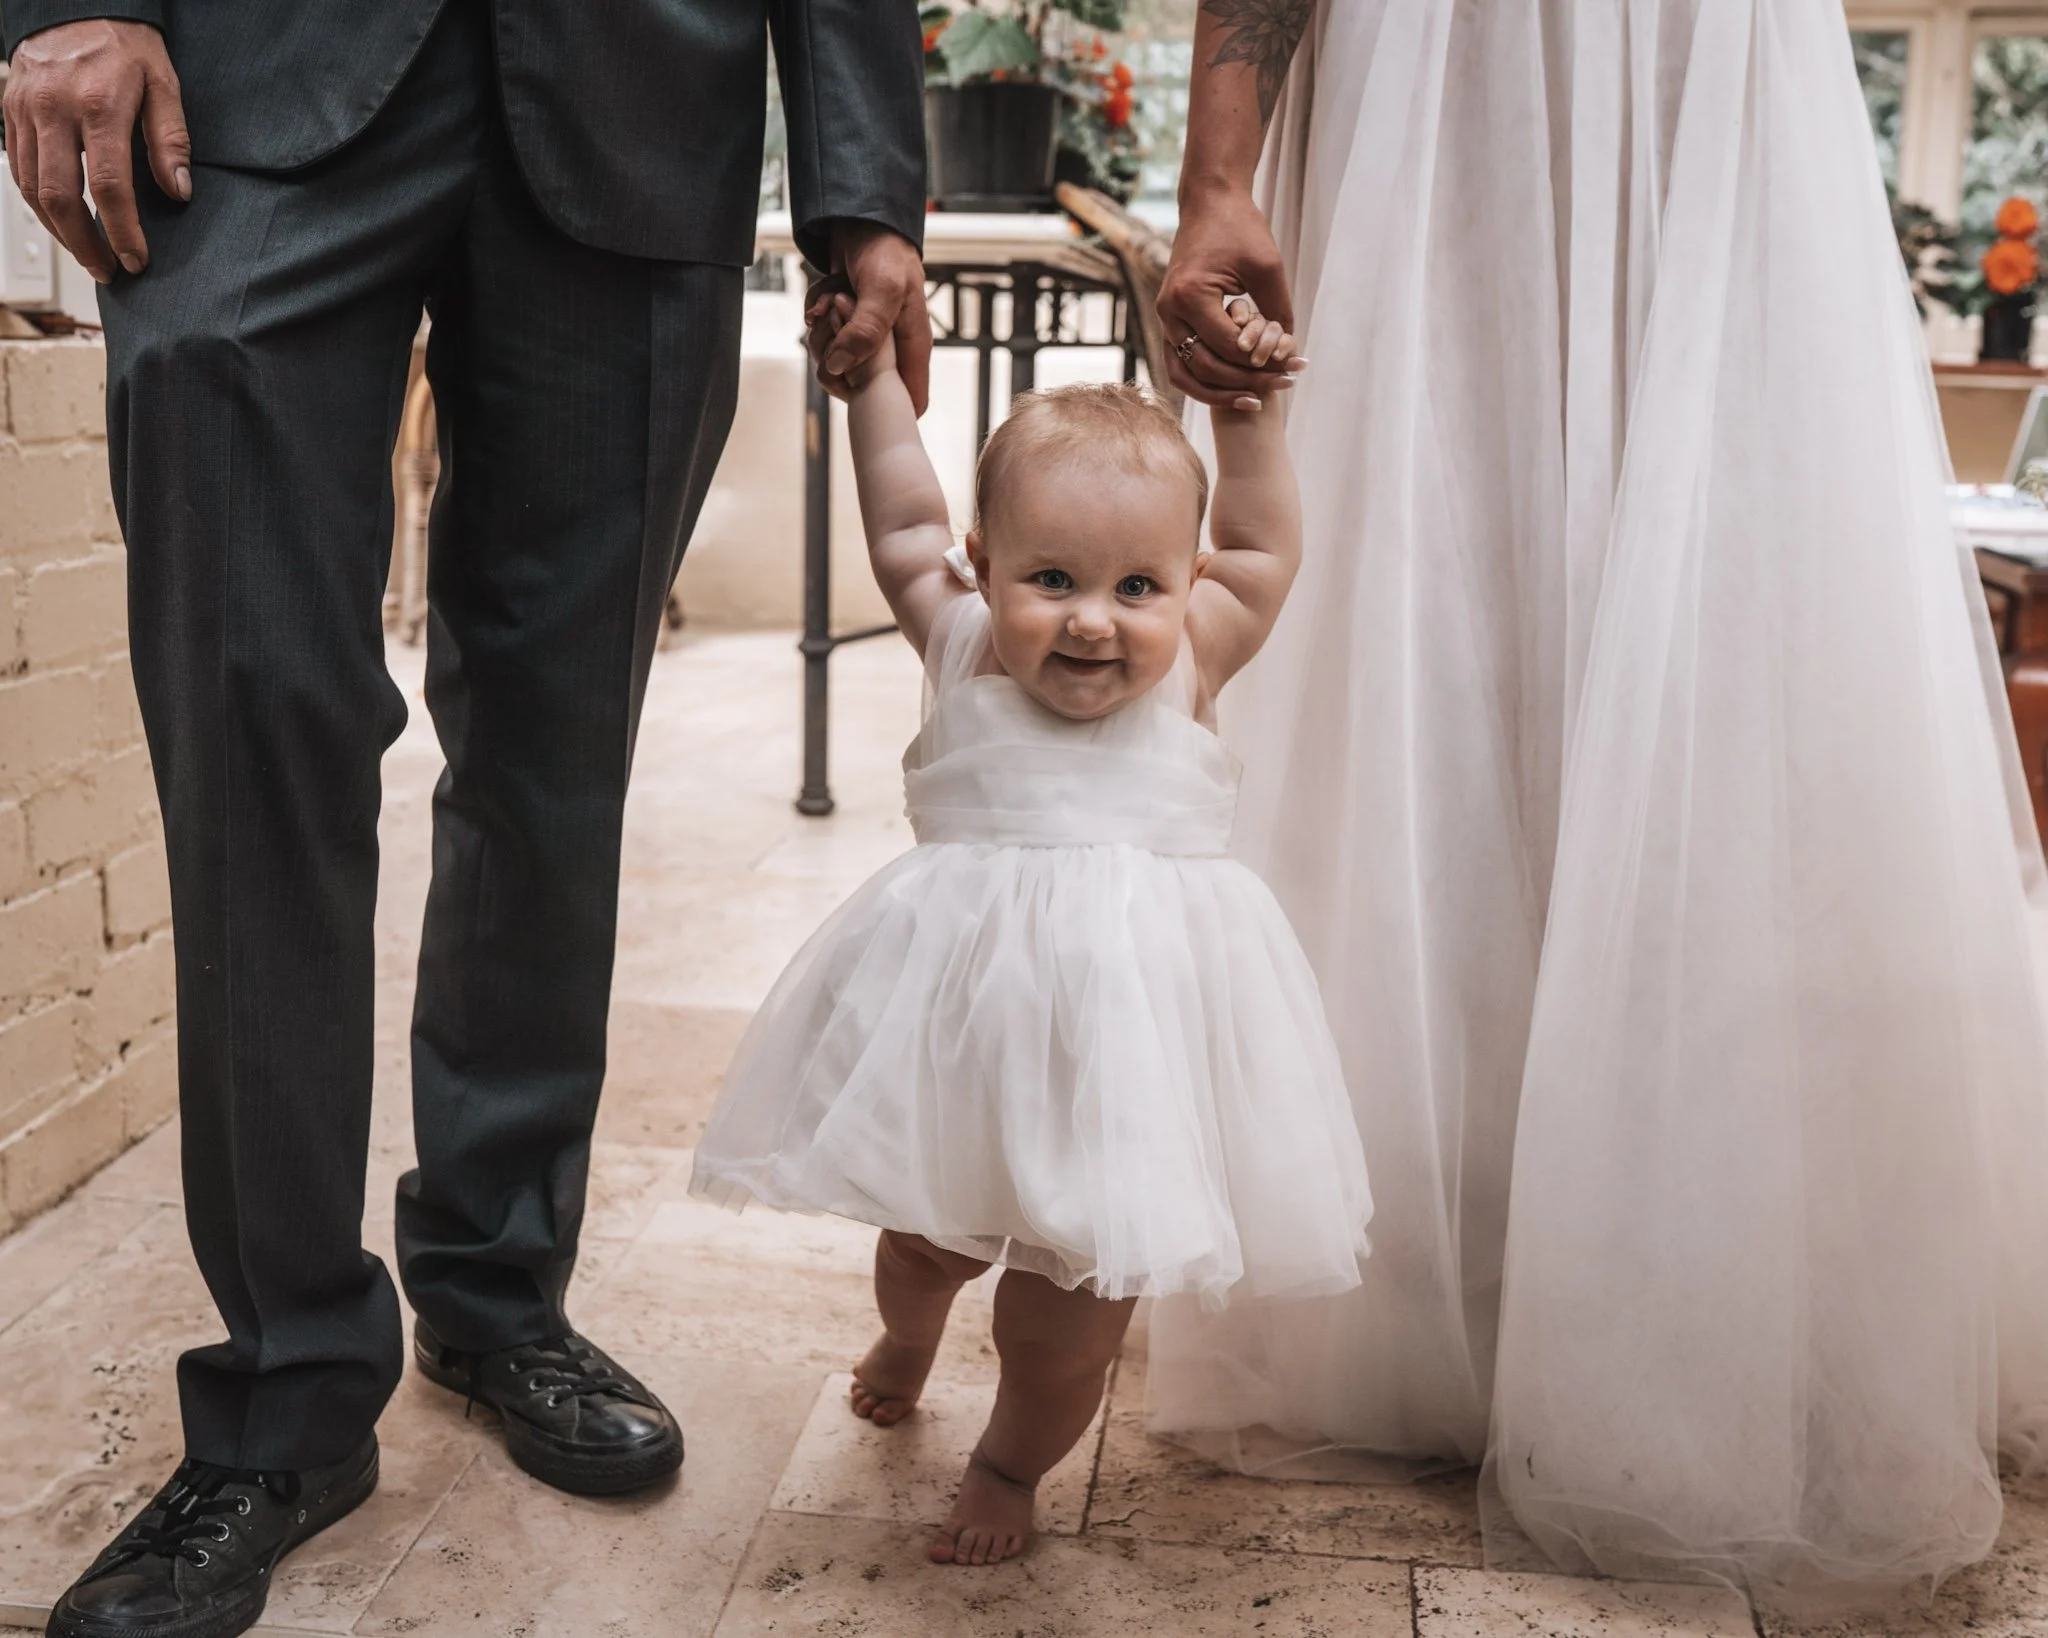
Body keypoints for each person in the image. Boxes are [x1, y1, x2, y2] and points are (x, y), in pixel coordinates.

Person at [0, 2, 929, 1634]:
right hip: (246, 94)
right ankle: (284, 1389)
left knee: (554, 748)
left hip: (644, 105)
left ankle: (499, 1286)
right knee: (246, 726)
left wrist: (864, 180)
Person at [1147, 0, 2048, 1614]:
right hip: (1428, 67)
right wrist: (1220, 169)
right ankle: (1417, 1274)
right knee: (1427, 607)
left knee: (1728, 617)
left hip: (1704, 68)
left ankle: (1717, 1268)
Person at [689, 295, 1370, 1566]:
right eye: (1048, 579)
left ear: (1187, 585)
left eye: (1135, 586)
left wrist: (1248, 420)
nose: (1093, 620)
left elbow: (1265, 552)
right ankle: (905, 1331)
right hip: (960, 1047)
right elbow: (897, 520)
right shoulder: (959, 646)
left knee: (1070, 1316)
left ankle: (1008, 1464)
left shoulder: (1194, 664)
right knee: (922, 1243)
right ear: (983, 567)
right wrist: (872, 387)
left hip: (1127, 1071)